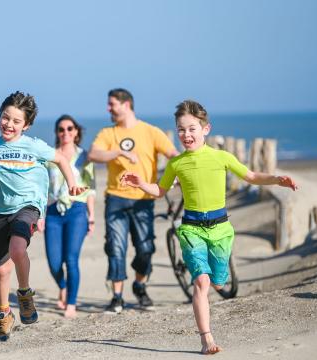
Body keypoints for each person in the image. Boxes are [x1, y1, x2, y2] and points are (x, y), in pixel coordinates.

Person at [121, 100, 297, 354]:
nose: (186, 135)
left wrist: (277, 180)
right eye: (181, 130)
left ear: (206, 129)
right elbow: (160, 190)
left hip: (221, 229)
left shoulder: (221, 157)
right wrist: (140, 183)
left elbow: (251, 176)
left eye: (192, 129)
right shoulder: (176, 163)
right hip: (192, 229)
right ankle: (207, 339)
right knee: (201, 282)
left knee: (218, 281)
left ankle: (218, 281)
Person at [0, 91, 87, 342]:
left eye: (17, 121)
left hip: (28, 207)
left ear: (26, 125)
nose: (9, 124)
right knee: (1, 269)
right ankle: (4, 315)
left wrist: (72, 184)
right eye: (6, 118)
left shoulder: (34, 146)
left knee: (18, 249)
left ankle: (25, 294)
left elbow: (60, 158)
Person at [88, 88, 178, 313]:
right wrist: (118, 153)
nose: (109, 108)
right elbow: (94, 154)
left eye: (112, 104)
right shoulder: (108, 134)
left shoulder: (150, 131)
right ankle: (117, 297)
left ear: (126, 104)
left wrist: (177, 174)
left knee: (145, 248)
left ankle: (139, 285)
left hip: (144, 199)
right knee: (116, 247)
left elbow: (173, 155)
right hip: (116, 198)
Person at [43, 115, 96, 319]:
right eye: (61, 129)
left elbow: (91, 188)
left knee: (71, 259)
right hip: (54, 212)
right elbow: (44, 187)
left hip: (77, 211)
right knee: (54, 263)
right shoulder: (51, 156)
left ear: (76, 132)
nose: (65, 132)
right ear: (57, 132)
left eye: (70, 128)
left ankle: (71, 303)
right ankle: (63, 287)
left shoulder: (85, 156)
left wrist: (91, 217)